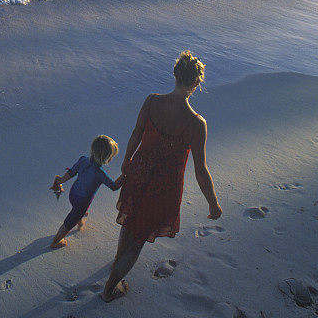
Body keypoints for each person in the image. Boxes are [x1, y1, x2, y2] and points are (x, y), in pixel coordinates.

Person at [102, 50, 222, 302]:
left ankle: (118, 262)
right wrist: (212, 202)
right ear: (197, 84)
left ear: (175, 74)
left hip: (138, 173)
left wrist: (126, 163)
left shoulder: (152, 101)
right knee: (138, 237)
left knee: (130, 222)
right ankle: (110, 287)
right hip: (162, 189)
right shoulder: (196, 124)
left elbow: (135, 134)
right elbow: (200, 169)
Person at [50, 134, 123, 249]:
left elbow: (72, 172)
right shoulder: (100, 173)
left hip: (73, 194)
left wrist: (61, 180)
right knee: (69, 222)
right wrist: (125, 175)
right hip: (83, 201)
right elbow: (114, 186)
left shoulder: (83, 160)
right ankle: (56, 241)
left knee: (78, 212)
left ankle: (80, 219)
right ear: (107, 157)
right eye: (112, 156)